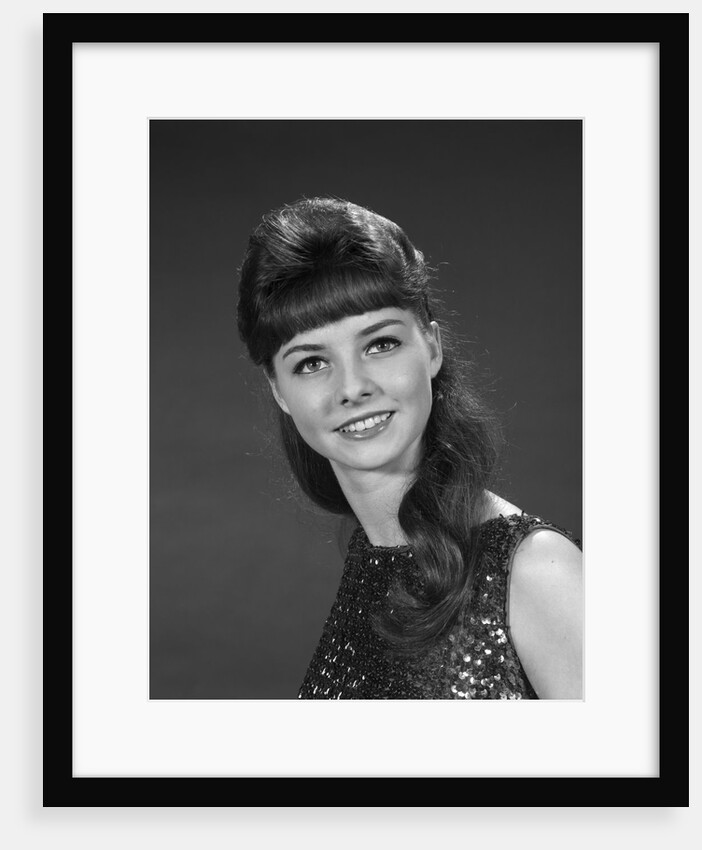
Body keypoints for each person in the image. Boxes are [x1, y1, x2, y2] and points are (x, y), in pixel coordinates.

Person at [237, 197, 582, 700]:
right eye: (311, 363)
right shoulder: (373, 559)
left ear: (433, 348)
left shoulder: (536, 571)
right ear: (278, 392)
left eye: (380, 344)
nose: (352, 387)